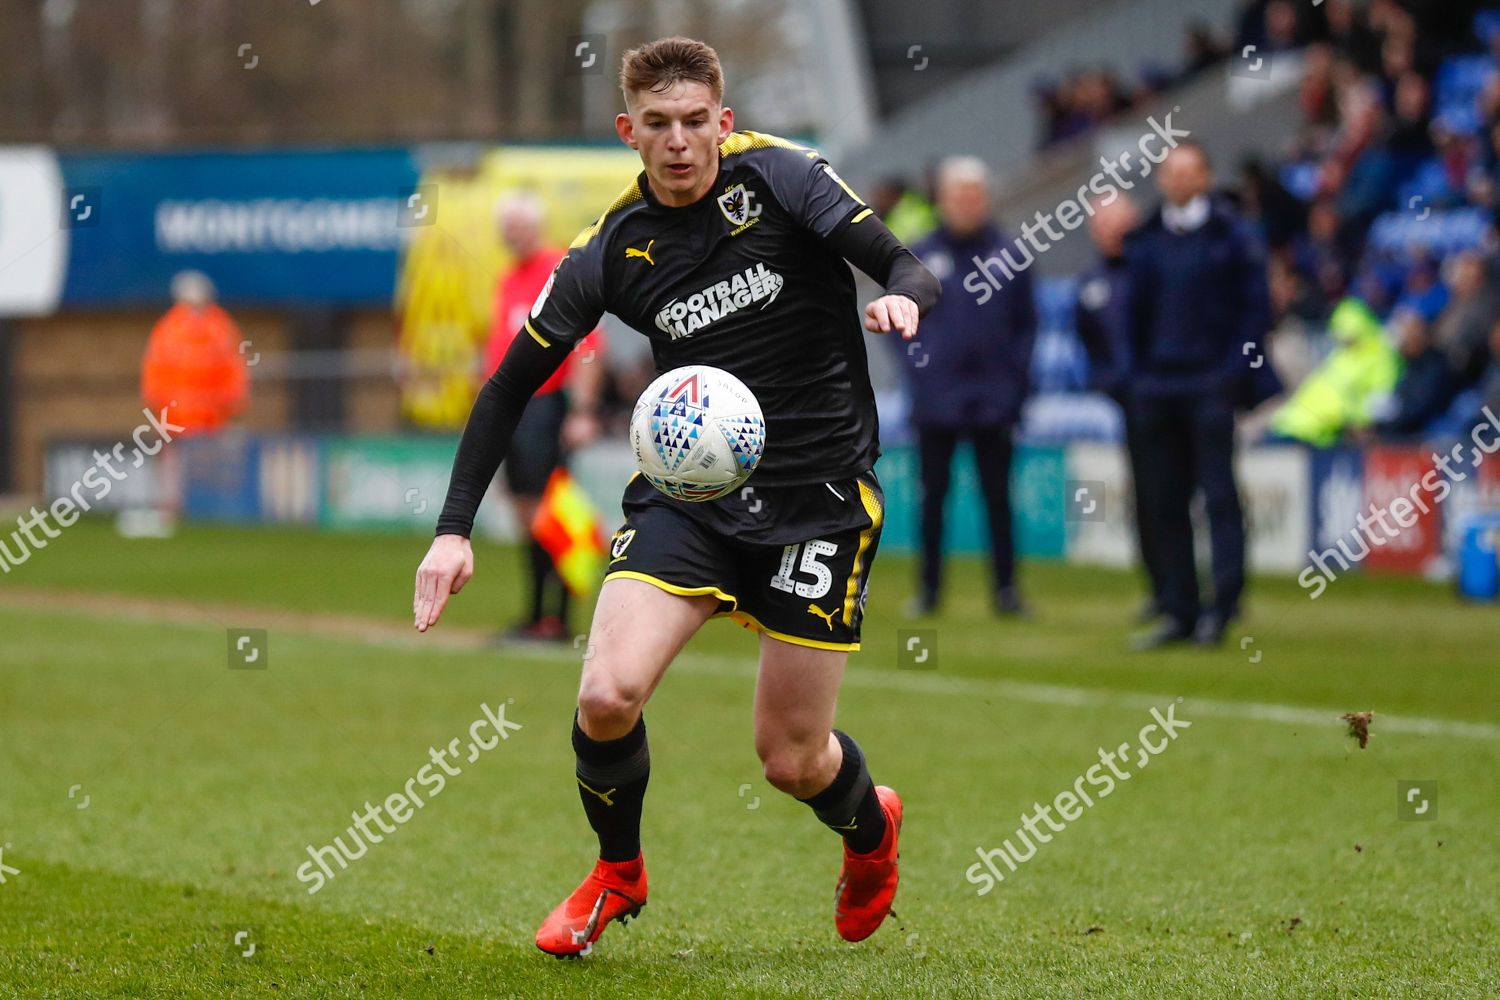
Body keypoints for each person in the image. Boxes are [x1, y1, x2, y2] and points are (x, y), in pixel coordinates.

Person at [412, 37, 939, 956]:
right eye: (658, 125)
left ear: (723, 121)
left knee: (790, 758)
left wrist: (902, 297)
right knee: (607, 693)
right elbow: (505, 388)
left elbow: (905, 263)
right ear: (630, 131)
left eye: (697, 121)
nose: (681, 141)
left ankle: (871, 832)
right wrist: (453, 532)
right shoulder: (612, 249)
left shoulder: (785, 178)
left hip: (820, 501)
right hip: (689, 497)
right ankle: (618, 872)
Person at [1124, 143, 1271, 648]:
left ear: (1205, 177)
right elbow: (1131, 317)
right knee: (1164, 500)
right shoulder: (1144, 239)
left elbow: (1255, 311)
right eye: (1172, 172)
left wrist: (1233, 374)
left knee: (1220, 496)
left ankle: (1223, 606)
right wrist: (1136, 378)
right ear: (1162, 180)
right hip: (1158, 386)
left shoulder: (1233, 236)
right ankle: (1178, 608)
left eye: (1190, 172)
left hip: (1211, 382)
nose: (1181, 180)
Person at [901, 157, 1036, 617]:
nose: (966, 203)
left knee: (999, 499)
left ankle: (1006, 591)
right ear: (942, 199)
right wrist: (921, 370)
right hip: (936, 400)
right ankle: (929, 591)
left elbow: (1026, 326)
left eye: (974, 193)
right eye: (957, 194)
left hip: (994, 401)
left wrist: (1014, 382)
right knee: (932, 499)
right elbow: (901, 320)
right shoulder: (919, 255)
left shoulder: (1010, 255)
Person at [481, 192, 604, 643]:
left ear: (536, 226)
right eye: (506, 225)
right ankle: (536, 616)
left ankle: (555, 620)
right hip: (512, 409)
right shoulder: (507, 278)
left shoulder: (558, 269)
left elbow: (589, 349)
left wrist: (582, 410)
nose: (512, 234)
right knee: (525, 512)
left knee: (550, 513)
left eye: (519, 224)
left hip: (546, 406)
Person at [1076, 192, 1163, 622]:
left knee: (1188, 494)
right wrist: (1111, 383)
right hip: (1134, 405)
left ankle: (1213, 591)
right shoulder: (1091, 284)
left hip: (1174, 393)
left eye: (1118, 222)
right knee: (1146, 498)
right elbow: (1089, 342)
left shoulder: (1154, 269)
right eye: (1103, 224)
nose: (1112, 232)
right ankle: (1162, 590)